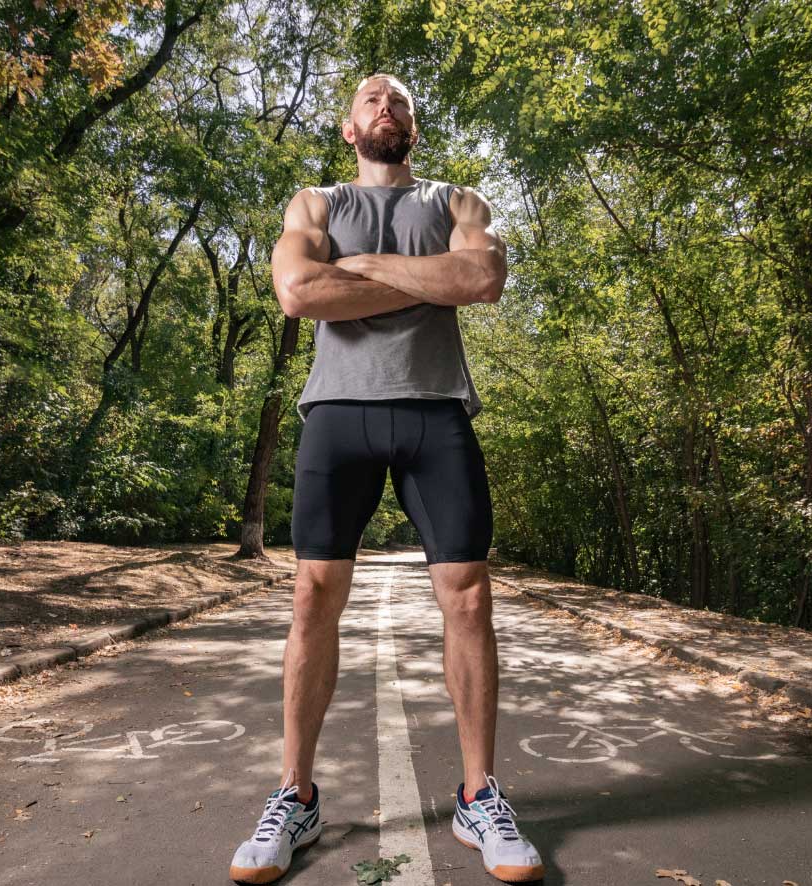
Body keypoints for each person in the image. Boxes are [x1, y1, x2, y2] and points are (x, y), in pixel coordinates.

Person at [229, 73, 545, 884]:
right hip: (338, 414)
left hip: (435, 412)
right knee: (312, 596)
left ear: (413, 124)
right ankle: (295, 795)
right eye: (371, 100)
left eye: (398, 100)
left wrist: (360, 270)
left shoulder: (457, 201)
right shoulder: (315, 203)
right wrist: (421, 277)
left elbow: (480, 281)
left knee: (467, 596)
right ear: (349, 128)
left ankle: (478, 796)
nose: (385, 107)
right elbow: (297, 291)